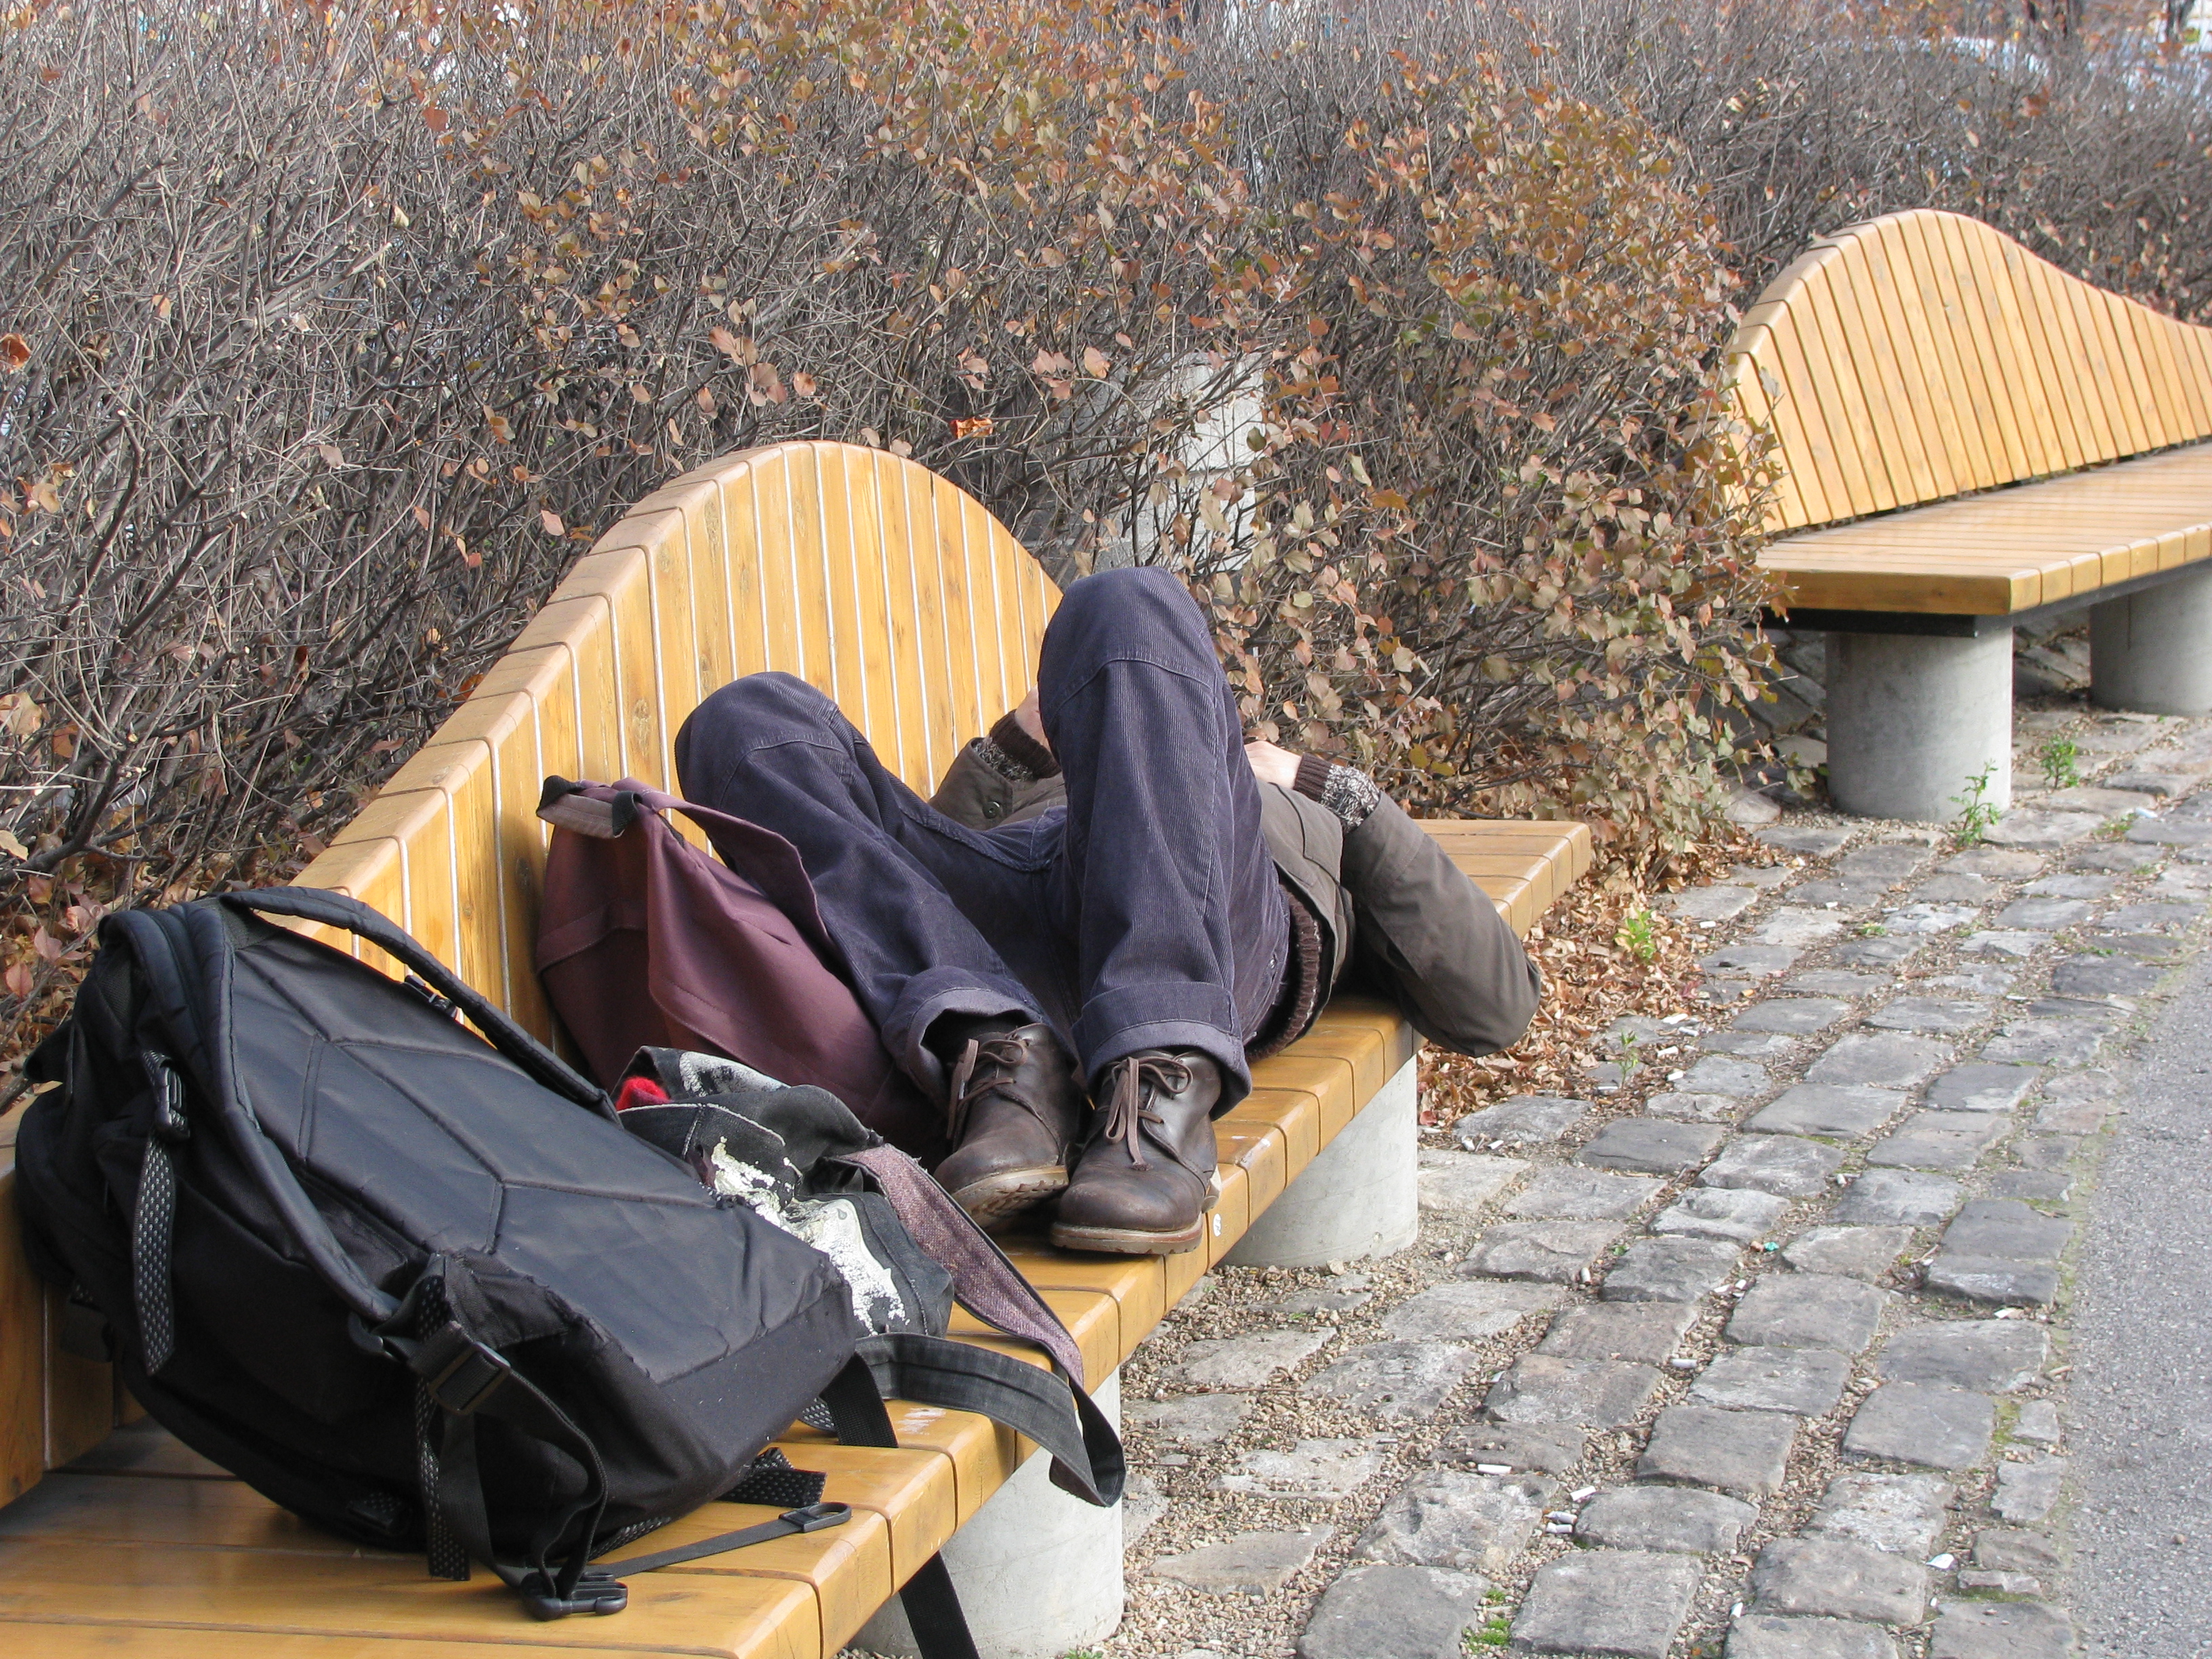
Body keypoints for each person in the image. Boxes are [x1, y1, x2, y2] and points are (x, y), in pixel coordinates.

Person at [672, 566, 1542, 1256]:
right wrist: (1014, 752)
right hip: (1026, 925)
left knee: (1124, 600)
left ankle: (1159, 1086)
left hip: (1202, 936)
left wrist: (1332, 790)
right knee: (745, 724)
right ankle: (1006, 1064)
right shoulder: (1071, 760)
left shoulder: (1288, 810)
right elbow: (900, 885)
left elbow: (1496, 1006)